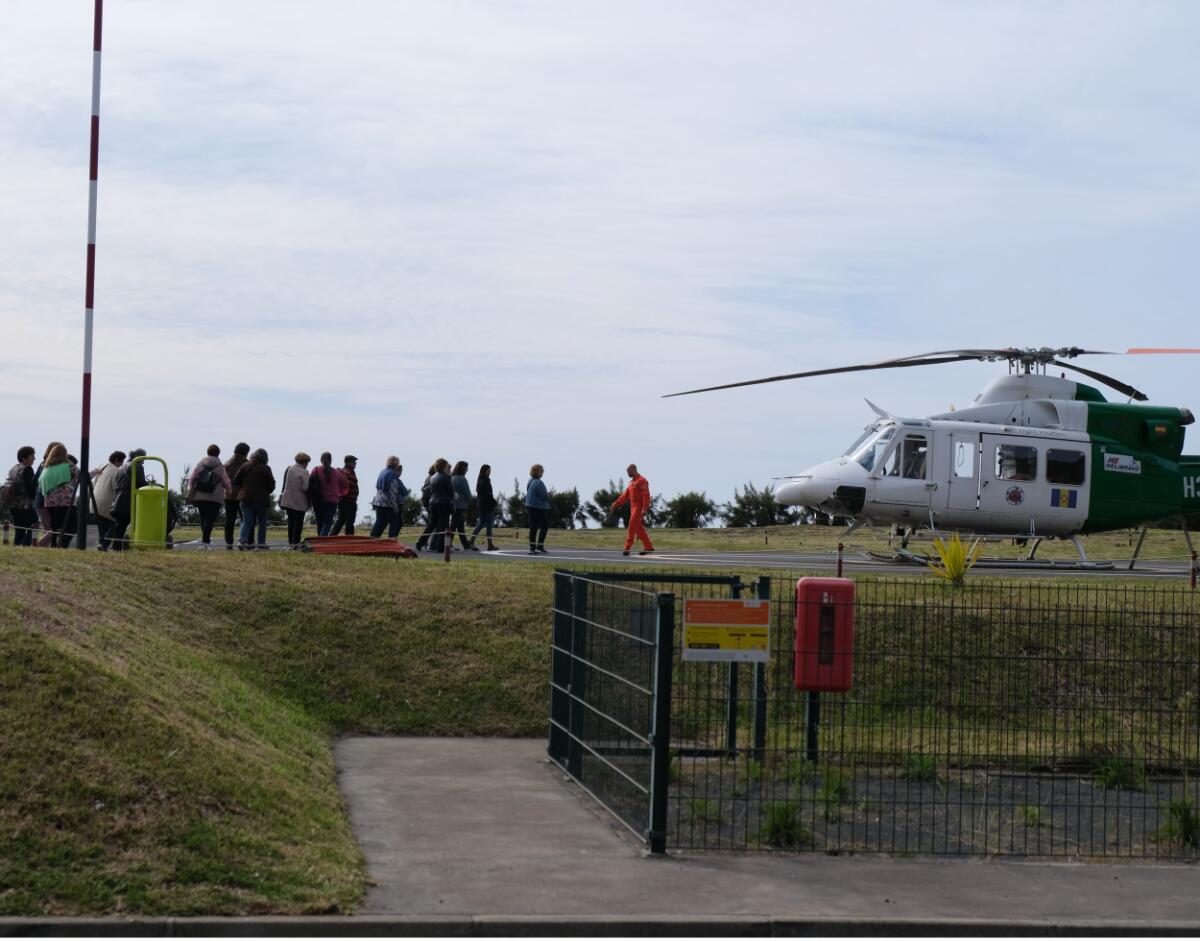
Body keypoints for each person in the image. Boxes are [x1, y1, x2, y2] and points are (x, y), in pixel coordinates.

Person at [186, 444, 234, 549]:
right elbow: (226, 481)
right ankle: (206, 542)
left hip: (200, 495)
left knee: (203, 518)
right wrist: (229, 492)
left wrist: (191, 489)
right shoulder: (220, 466)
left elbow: (192, 478)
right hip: (214, 497)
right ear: (218, 453)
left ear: (208, 452)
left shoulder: (200, 464)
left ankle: (205, 541)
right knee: (210, 519)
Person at [38, 442, 79, 549]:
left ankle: (54, 546)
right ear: (64, 454)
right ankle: (62, 546)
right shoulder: (68, 466)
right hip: (65, 502)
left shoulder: (46, 469)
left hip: (49, 503)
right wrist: (96, 471)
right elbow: (82, 475)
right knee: (72, 527)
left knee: (55, 528)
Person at [232, 448, 275, 549]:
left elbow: (235, 480)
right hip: (261, 500)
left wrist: (244, 488)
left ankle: (242, 540)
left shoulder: (245, 466)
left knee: (246, 521)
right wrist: (265, 492)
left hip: (245, 498)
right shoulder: (266, 468)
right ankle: (260, 544)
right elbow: (272, 485)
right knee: (262, 523)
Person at [610, 463, 655, 556]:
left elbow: (646, 495)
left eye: (628, 472)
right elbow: (625, 496)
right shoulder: (631, 483)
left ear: (633, 470)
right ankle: (648, 546)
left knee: (631, 527)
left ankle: (627, 548)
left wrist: (644, 509)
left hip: (639, 507)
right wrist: (615, 504)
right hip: (633, 507)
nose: (627, 474)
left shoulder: (642, 480)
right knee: (638, 528)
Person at [109, 449, 147, 551]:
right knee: (128, 526)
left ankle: (116, 548)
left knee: (120, 527)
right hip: (128, 502)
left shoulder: (122, 468)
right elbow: (141, 484)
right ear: (140, 457)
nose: (144, 461)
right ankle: (121, 547)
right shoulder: (137, 466)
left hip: (118, 500)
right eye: (144, 458)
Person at [89, 450, 125, 550]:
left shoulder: (102, 466)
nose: (122, 464)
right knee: (114, 523)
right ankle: (104, 545)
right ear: (117, 460)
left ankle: (102, 545)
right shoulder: (116, 471)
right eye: (122, 462)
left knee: (102, 526)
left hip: (94, 502)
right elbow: (116, 487)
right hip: (106, 503)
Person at [415, 458, 453, 552]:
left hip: (433, 503)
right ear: (444, 466)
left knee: (432, 524)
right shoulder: (446, 477)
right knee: (443, 525)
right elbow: (450, 491)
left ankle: (420, 542)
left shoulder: (433, 477)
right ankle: (440, 547)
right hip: (443, 503)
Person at [4, 446, 38, 547]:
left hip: (13, 504)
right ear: (24, 458)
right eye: (32, 456)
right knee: (31, 528)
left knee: (19, 531)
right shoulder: (27, 469)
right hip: (26, 505)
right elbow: (30, 489)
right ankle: (26, 549)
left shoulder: (13, 468)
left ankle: (16, 548)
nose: (34, 458)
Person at [370, 456, 410, 539]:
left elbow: (377, 487)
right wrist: (395, 506)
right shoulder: (392, 474)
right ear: (396, 463)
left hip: (378, 501)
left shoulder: (383, 471)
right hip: (388, 503)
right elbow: (392, 492)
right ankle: (392, 542)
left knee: (380, 523)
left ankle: (372, 541)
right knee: (395, 523)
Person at [310, 452, 348, 537]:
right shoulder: (337, 472)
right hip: (332, 500)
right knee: (327, 522)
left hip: (318, 499)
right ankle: (322, 539)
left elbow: (310, 483)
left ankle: (319, 539)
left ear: (321, 460)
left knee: (320, 521)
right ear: (331, 460)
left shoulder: (316, 470)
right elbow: (344, 485)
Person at [279, 452, 311, 548]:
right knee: (298, 522)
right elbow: (305, 487)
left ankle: (290, 543)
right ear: (304, 462)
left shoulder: (290, 468)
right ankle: (296, 542)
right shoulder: (304, 472)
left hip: (288, 499)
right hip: (299, 500)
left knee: (291, 522)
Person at [223, 442, 251, 550]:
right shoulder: (247, 464)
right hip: (242, 495)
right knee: (246, 519)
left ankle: (229, 543)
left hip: (228, 494)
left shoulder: (227, 463)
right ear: (246, 452)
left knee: (229, 519)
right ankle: (245, 541)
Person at [468, 463, 498, 551]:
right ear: (484, 471)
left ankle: (489, 544)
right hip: (485, 505)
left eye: (490, 471)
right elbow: (486, 495)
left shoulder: (484, 480)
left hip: (485, 504)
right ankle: (472, 542)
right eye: (488, 471)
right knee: (482, 524)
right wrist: (493, 502)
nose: (490, 472)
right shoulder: (483, 481)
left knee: (488, 525)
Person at [330, 455, 359, 535]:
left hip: (345, 500)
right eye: (354, 462)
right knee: (349, 522)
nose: (355, 463)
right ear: (349, 462)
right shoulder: (347, 472)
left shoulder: (348, 471)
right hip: (348, 500)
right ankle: (349, 538)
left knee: (341, 520)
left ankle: (332, 536)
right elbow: (346, 486)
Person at [525, 463, 550, 555]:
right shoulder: (539, 482)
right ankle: (540, 545)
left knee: (533, 527)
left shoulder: (530, 480)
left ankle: (532, 547)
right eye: (542, 470)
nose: (543, 472)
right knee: (545, 526)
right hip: (538, 507)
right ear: (537, 471)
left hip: (529, 506)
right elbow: (544, 496)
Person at [449, 460, 473, 550]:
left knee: (459, 526)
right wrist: (470, 501)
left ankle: (466, 545)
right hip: (461, 506)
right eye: (466, 468)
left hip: (452, 505)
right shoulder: (462, 479)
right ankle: (449, 544)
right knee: (455, 526)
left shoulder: (451, 477)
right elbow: (468, 494)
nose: (467, 470)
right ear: (463, 468)